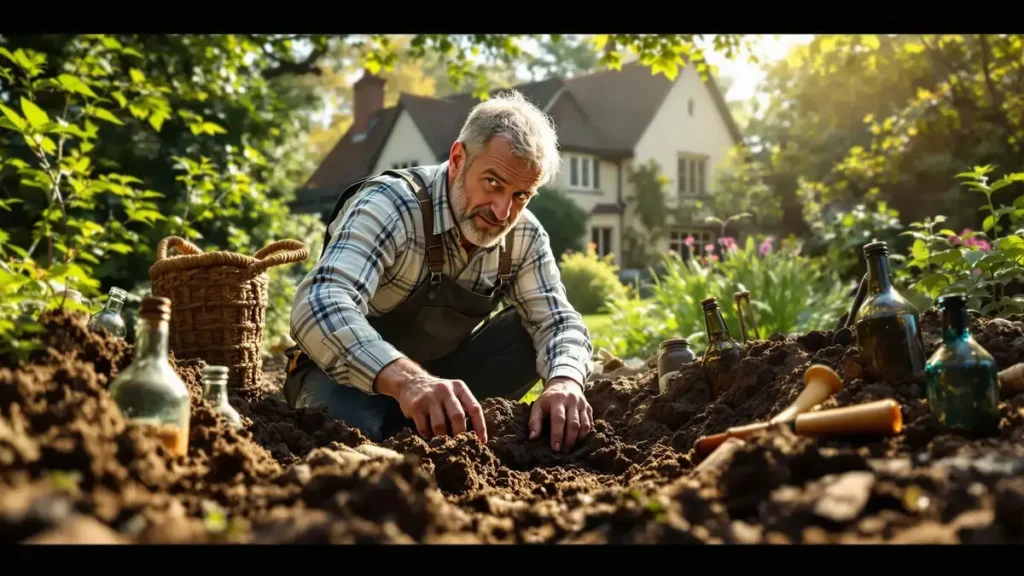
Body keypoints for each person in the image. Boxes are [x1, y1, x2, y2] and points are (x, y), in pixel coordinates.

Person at [284, 90, 595, 452]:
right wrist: (407, 380)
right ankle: (398, 427)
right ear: (459, 158)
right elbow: (319, 302)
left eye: (521, 195)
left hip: (444, 382)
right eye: (493, 183)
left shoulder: (524, 234)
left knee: (531, 334)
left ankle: (446, 430)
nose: (502, 211)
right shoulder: (391, 204)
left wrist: (565, 382)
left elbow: (559, 322)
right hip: (346, 378)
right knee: (350, 437)